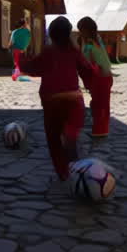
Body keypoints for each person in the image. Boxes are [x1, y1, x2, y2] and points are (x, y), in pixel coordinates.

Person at [20, 17, 98, 181]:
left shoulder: (48, 51)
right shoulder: (74, 51)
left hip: (52, 100)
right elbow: (87, 70)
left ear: (52, 34)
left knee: (53, 138)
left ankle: (63, 172)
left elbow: (33, 68)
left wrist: (21, 59)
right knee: (72, 130)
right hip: (73, 99)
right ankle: (71, 137)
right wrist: (93, 78)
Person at [77, 16, 114, 138]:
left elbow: (86, 58)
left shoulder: (89, 43)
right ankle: (104, 128)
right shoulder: (98, 39)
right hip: (107, 76)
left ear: (85, 30)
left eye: (80, 30)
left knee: (98, 105)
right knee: (103, 104)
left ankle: (99, 130)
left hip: (99, 77)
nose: (79, 32)